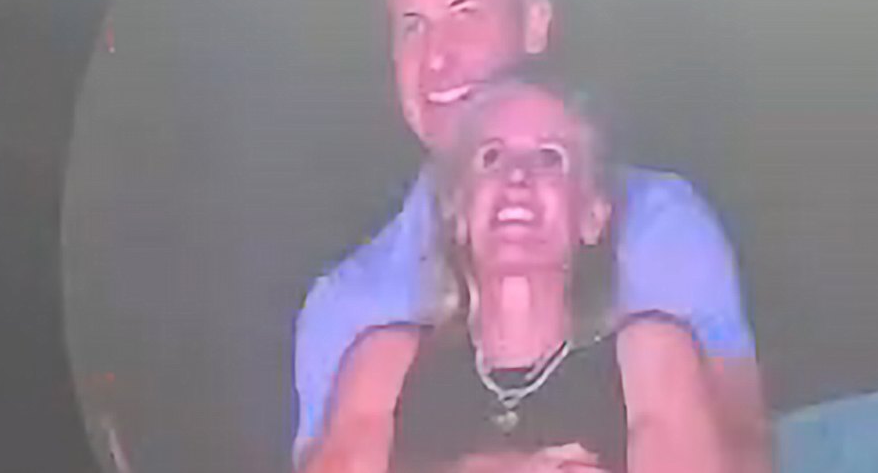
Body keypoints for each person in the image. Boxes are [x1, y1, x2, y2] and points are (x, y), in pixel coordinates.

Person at [294, 0, 770, 470]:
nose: (438, 59)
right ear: (456, 211)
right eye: (413, 27)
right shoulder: (355, 320)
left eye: (466, 14)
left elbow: (744, 452)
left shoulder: (659, 240)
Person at [302, 74, 732, 473]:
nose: (518, 176)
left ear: (592, 216)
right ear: (458, 212)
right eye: (491, 157)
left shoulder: (652, 359)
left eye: (550, 157)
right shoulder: (385, 367)